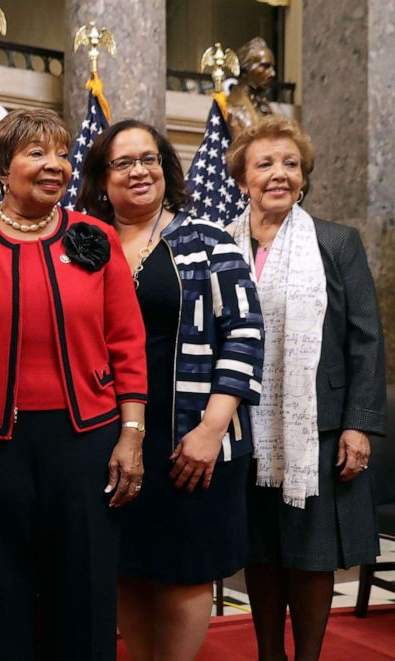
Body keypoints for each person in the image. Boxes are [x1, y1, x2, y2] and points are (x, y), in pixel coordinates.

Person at [0, 108, 147, 661]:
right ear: (2, 166)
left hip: (86, 441)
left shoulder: (97, 236)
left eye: (62, 154)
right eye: (37, 153)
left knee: (84, 592)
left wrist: (131, 434)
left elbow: (128, 345)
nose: (55, 165)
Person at [78, 120, 265, 661]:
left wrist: (211, 428)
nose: (139, 171)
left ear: (165, 169)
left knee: (185, 571)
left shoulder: (207, 239)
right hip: (107, 435)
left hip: (192, 435)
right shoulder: (84, 242)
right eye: (123, 162)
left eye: (149, 159)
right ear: (100, 177)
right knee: (127, 566)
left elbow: (246, 333)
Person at [225, 116, 385, 661]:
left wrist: (359, 424)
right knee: (263, 554)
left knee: (312, 556)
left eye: (290, 164)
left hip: (319, 427)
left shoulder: (336, 243)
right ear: (242, 179)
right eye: (265, 164)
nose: (280, 174)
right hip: (242, 426)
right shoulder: (220, 246)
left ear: (303, 176)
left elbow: (366, 340)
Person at [226, 36, 277, 137]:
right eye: (265, 66)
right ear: (245, 69)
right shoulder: (233, 107)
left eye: (272, 67)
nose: (272, 73)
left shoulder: (264, 106)